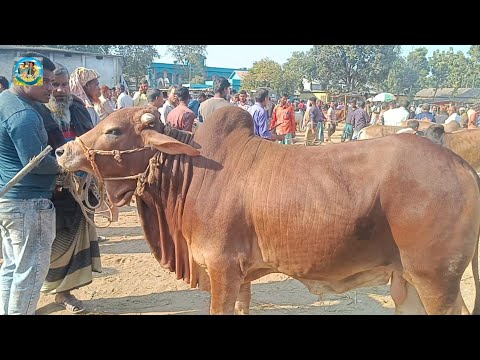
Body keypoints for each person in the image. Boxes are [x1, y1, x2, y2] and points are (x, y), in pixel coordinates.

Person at [32, 63, 102, 314]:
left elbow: (92, 142)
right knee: (43, 244)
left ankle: (63, 293)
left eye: (64, 85)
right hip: (47, 191)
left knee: (72, 239)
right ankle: (28, 296)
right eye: (55, 84)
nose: (59, 90)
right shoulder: (36, 112)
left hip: (79, 190)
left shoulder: (80, 109)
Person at [0, 52, 58, 315]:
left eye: (53, 82)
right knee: (31, 272)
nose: (51, 88)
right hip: (28, 204)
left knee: (13, 267)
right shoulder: (25, 115)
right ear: (25, 77)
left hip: (10, 201)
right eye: (45, 81)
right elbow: (37, 164)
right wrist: (70, 166)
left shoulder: (5, 101)